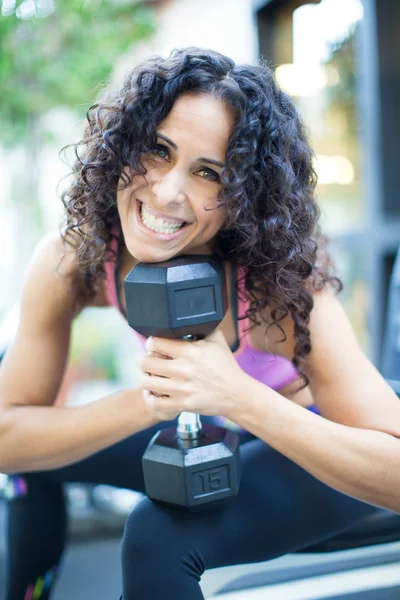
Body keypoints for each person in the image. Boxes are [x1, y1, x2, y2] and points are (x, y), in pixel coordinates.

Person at [0, 46, 399, 600]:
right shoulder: (78, 260)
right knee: (39, 459)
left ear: (242, 197)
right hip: (202, 429)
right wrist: (151, 398)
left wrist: (236, 396)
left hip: (309, 443)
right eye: (156, 150)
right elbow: (7, 435)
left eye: (208, 172)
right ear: (119, 148)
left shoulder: (278, 288)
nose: (167, 192)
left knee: (155, 536)